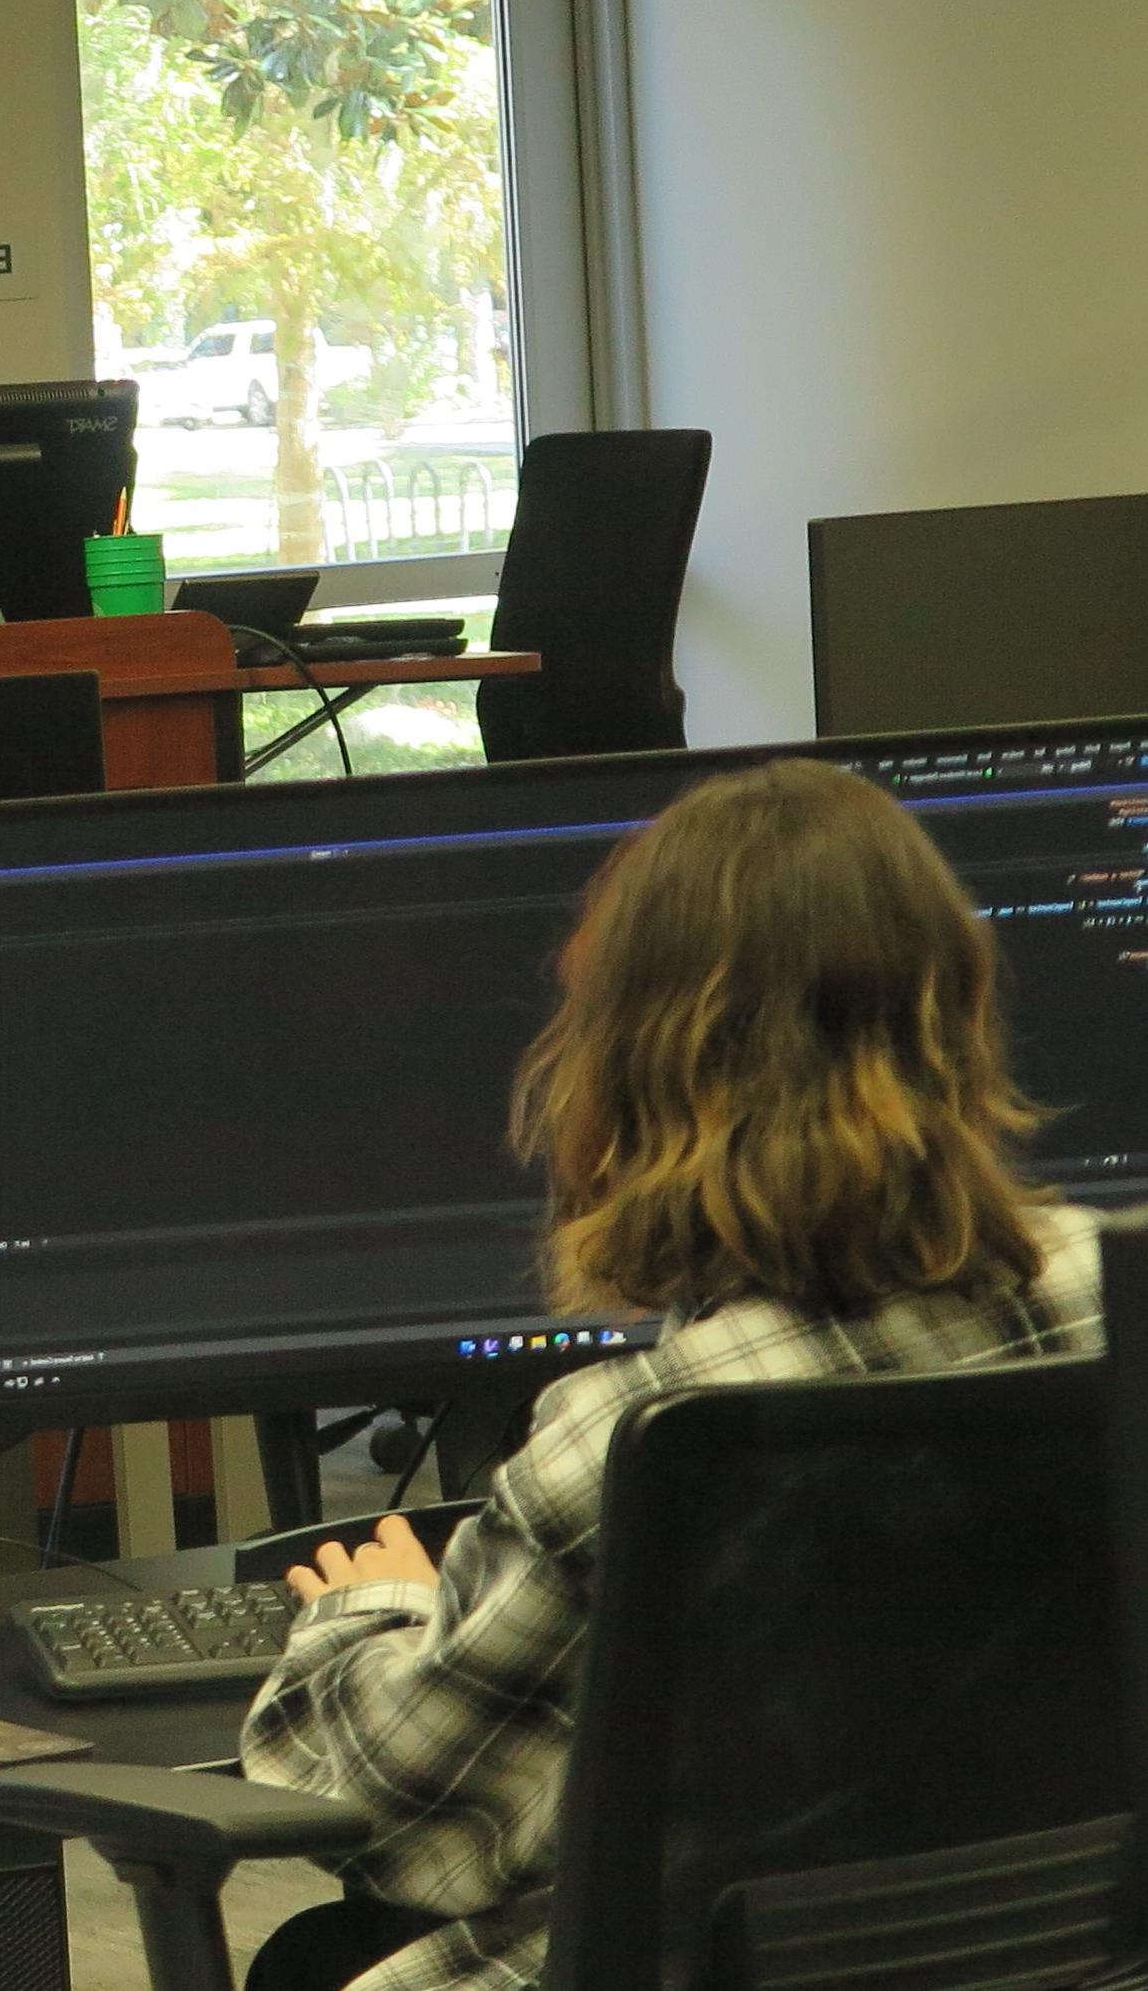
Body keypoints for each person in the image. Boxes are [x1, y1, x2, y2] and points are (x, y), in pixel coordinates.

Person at [236, 758, 1105, 1991]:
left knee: (323, 1951)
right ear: (952, 1008)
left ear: (634, 1067)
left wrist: (362, 1610)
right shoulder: (1110, 1299)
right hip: (1041, 1954)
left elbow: (408, 1825)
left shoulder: (642, 1435)